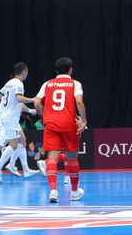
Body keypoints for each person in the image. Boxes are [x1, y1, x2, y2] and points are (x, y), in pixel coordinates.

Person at [33, 57, 88, 203]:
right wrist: (83, 120)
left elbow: (37, 103)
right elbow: (79, 101)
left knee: (52, 157)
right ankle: (75, 192)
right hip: (69, 123)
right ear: (71, 70)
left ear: (56, 70)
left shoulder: (47, 84)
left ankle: (53, 191)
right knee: (72, 158)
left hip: (51, 123)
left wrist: (47, 113)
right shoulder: (75, 83)